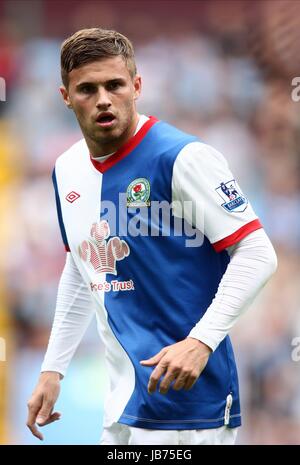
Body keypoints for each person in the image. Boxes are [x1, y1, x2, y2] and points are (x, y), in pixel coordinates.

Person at [26, 28, 277, 445]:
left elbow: (257, 253)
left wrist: (200, 341)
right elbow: (81, 266)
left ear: (137, 87)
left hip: (190, 409)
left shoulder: (183, 158)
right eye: (87, 89)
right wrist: (53, 369)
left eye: (115, 85)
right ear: (65, 97)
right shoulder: (66, 170)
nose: (103, 98)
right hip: (123, 402)